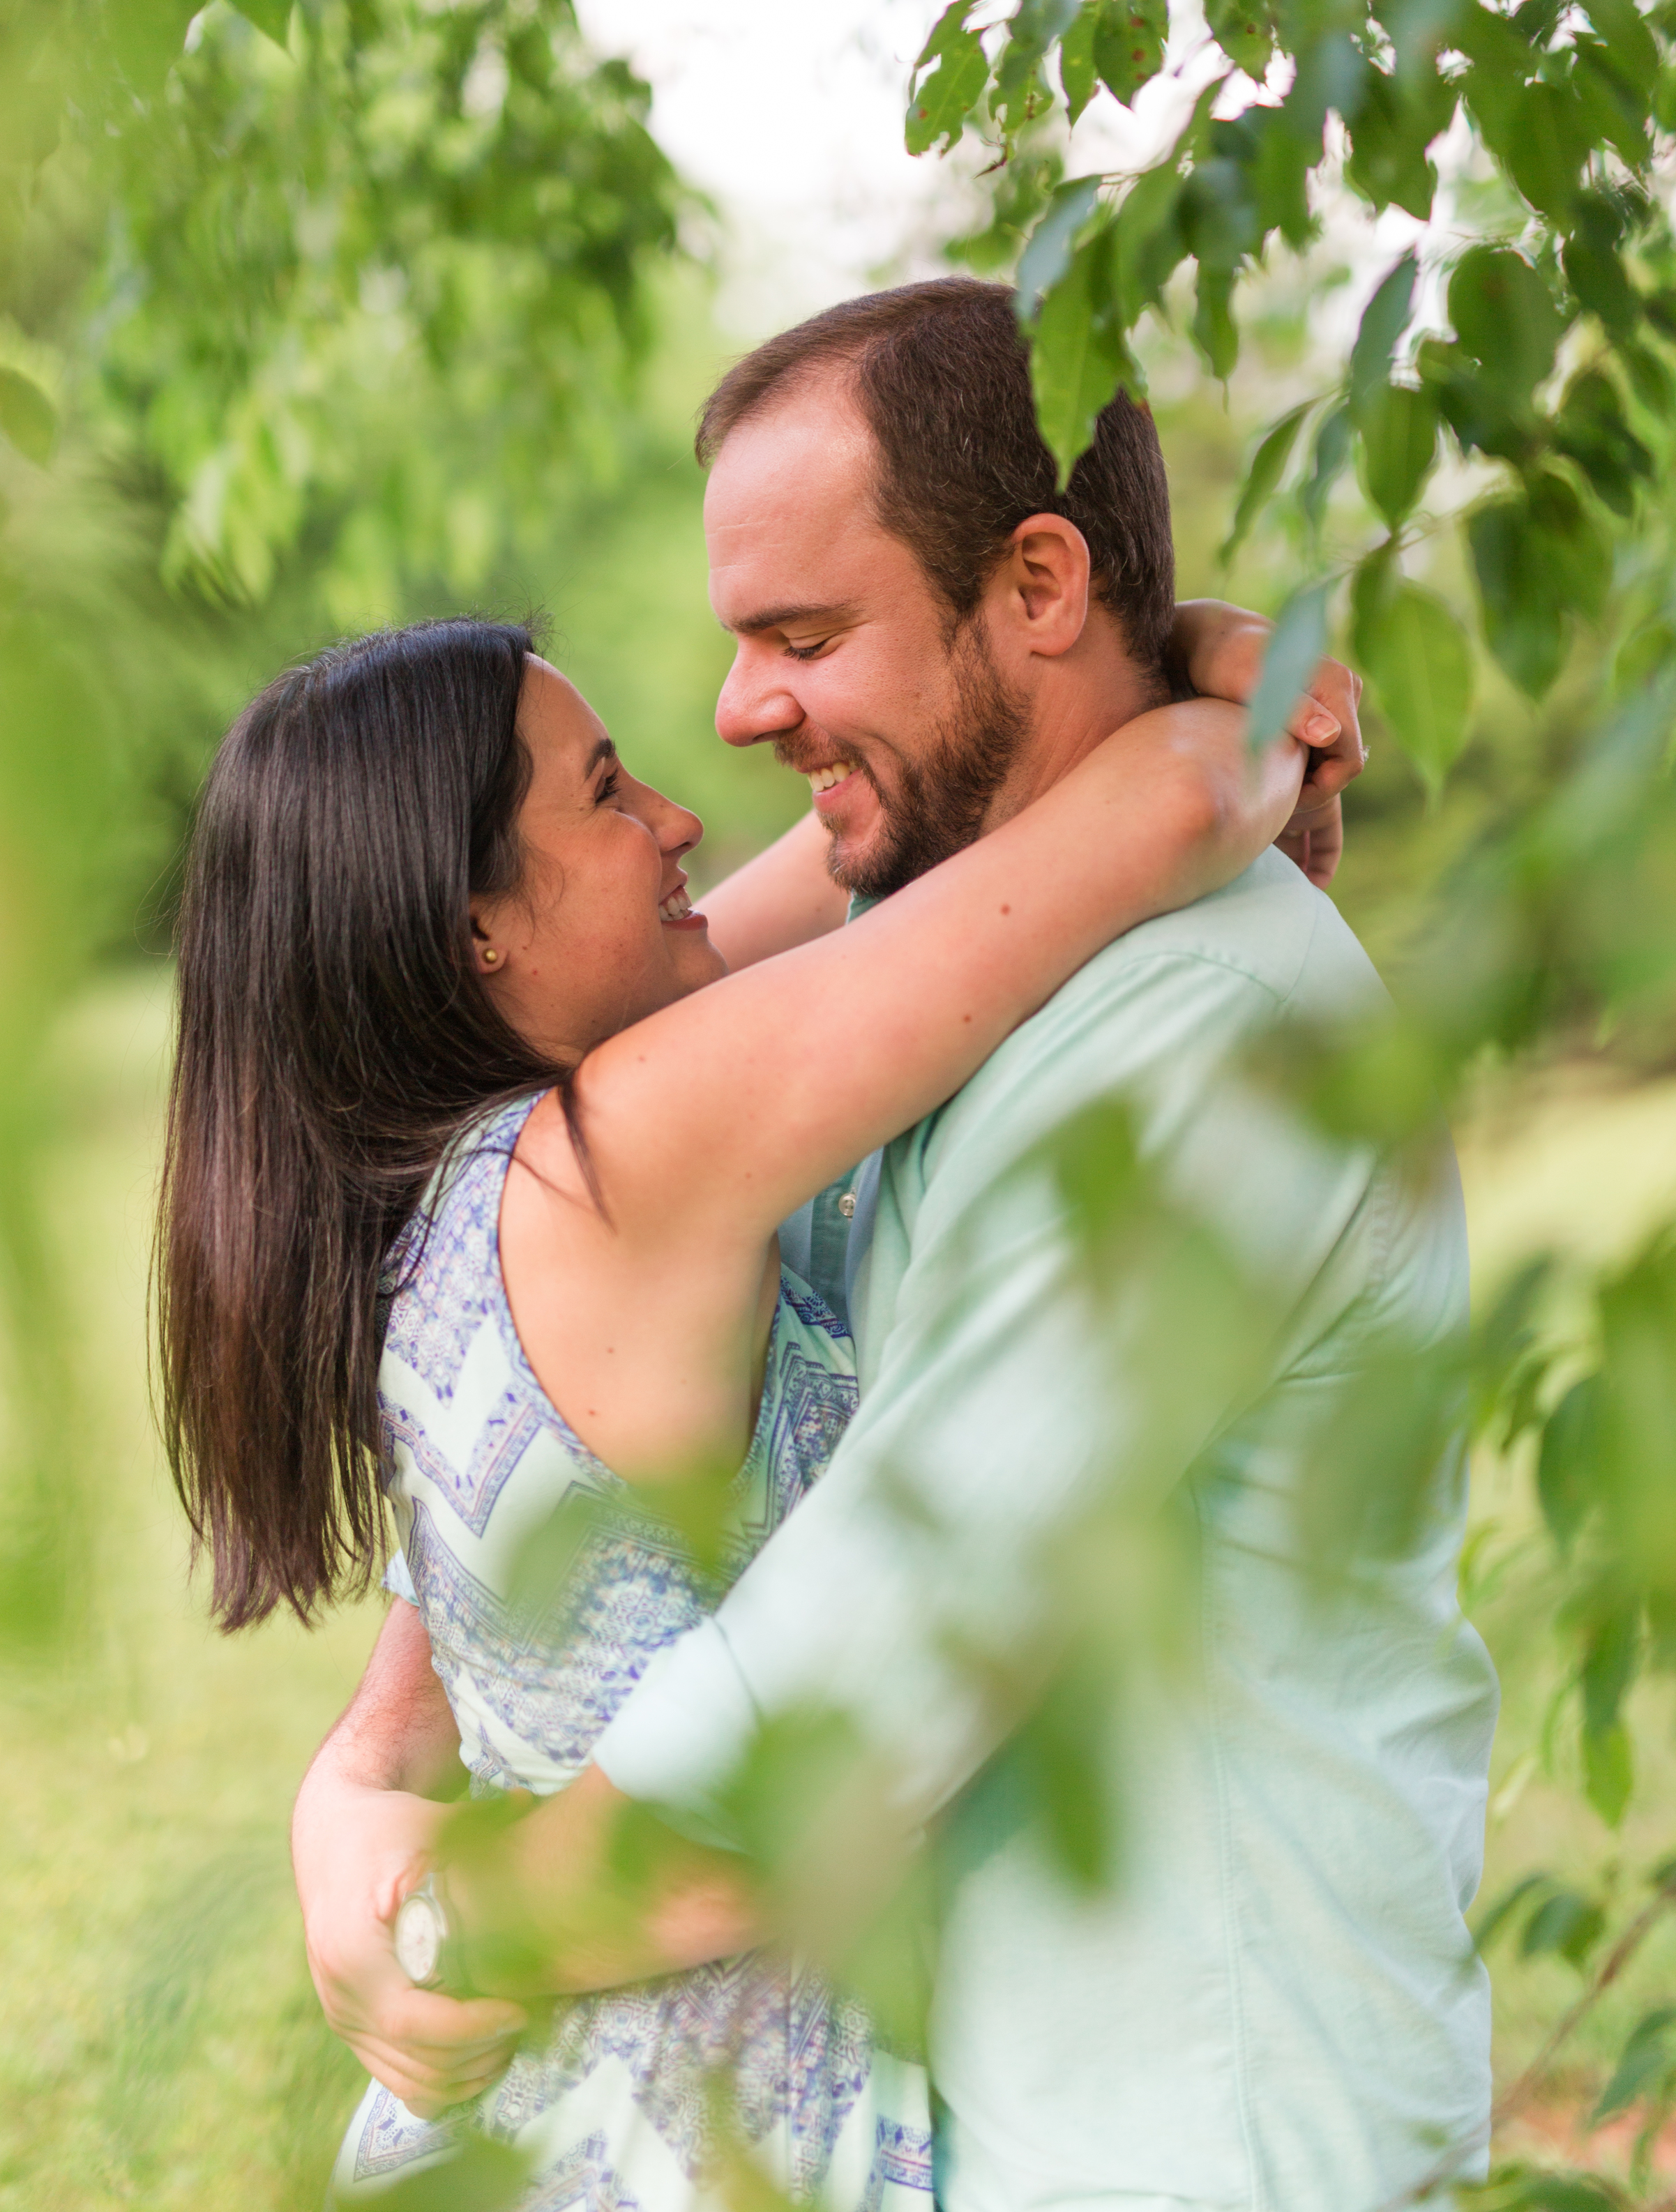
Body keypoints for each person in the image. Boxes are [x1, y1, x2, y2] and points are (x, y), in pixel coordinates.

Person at [294, 278, 1496, 2212]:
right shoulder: (949, 965)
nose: (736, 712)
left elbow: (811, 1755)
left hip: (1196, 2140)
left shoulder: (1201, 1027)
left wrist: (424, 1912)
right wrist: (347, 1786)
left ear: (1034, 582)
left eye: (802, 632)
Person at [160, 558, 1338, 2200]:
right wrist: (1243, 682)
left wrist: (1148, 648)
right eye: (602, 793)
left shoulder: (428, 1203)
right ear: (473, 926)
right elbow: (1173, 805)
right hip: (685, 2135)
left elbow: (879, 854)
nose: (677, 819)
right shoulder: (624, 1153)